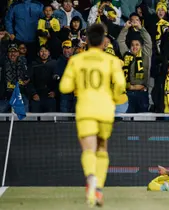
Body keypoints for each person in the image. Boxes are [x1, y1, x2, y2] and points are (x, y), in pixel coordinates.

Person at [59, 23, 126, 207]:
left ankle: (90, 179)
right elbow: (120, 85)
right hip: (105, 110)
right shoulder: (111, 61)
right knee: (102, 150)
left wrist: (80, 84)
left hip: (86, 110)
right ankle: (99, 189)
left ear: (86, 40)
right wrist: (111, 97)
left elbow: (64, 87)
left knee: (88, 150)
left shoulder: (76, 60)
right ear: (104, 41)